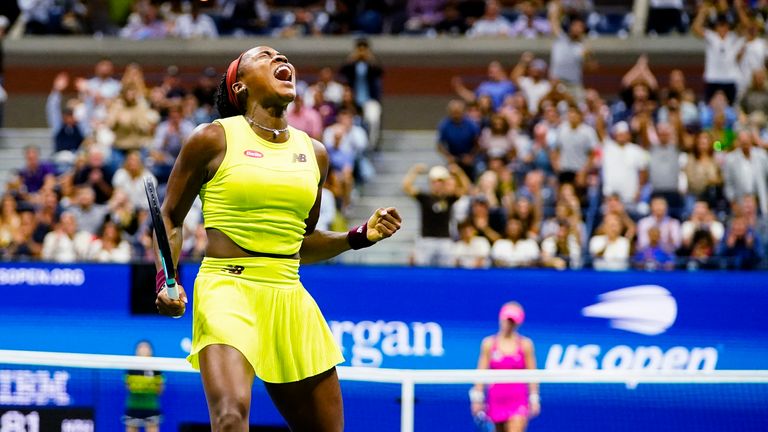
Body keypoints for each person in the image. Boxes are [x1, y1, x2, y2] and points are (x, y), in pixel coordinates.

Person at [153, 46, 402, 431]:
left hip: (289, 293)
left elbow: (303, 243)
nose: (281, 59)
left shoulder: (314, 153)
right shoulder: (212, 138)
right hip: (228, 288)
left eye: (284, 56)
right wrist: (166, 280)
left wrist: (357, 237)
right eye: (265, 56)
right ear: (239, 85)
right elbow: (169, 216)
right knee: (231, 418)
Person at [470, 302, 540, 432]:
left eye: (513, 321)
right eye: (507, 320)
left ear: (518, 323)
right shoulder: (488, 344)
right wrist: (477, 398)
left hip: (518, 400)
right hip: (496, 400)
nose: (509, 324)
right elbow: (481, 373)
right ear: (501, 318)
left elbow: (533, 375)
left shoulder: (525, 345)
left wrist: (534, 398)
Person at [123, 340, 163, 432]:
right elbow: (127, 386)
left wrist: (142, 387)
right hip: (133, 406)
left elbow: (160, 389)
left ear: (151, 351)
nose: (143, 350)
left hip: (151, 407)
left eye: (146, 347)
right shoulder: (131, 367)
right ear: (136, 351)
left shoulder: (156, 367)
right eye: (141, 347)